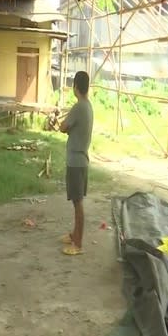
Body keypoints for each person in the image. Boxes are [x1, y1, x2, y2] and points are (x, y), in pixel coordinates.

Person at [58, 71, 93, 256]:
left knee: (78, 202)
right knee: (76, 201)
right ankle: (74, 235)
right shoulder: (87, 105)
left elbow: (63, 127)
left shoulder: (79, 106)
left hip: (76, 162)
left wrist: (62, 124)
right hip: (81, 160)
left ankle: (78, 243)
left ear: (76, 87)